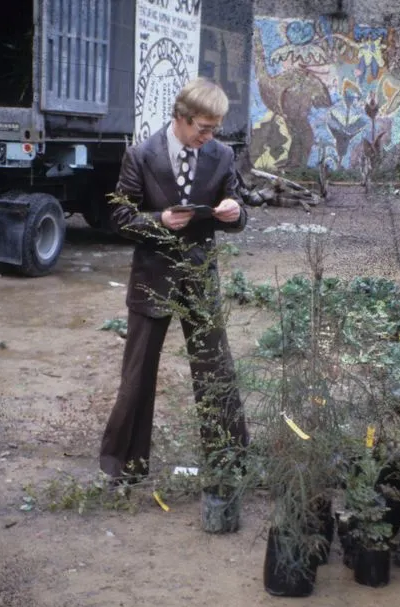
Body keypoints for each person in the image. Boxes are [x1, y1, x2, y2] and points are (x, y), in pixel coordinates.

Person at [99, 77, 248, 481]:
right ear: (181, 117)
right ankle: (125, 467)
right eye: (203, 128)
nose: (209, 136)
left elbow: (238, 208)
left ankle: (230, 464)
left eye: (215, 128)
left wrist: (235, 212)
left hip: (200, 279)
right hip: (152, 280)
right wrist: (159, 220)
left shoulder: (222, 155)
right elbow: (120, 217)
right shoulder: (140, 155)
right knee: (137, 375)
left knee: (216, 371)